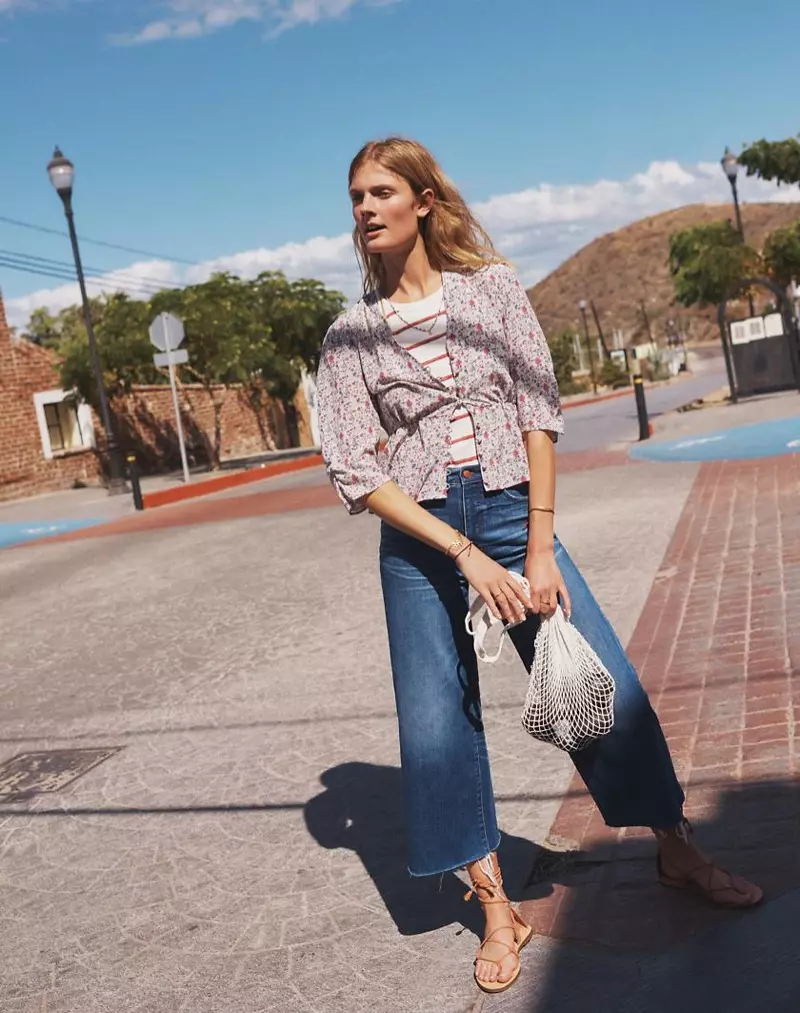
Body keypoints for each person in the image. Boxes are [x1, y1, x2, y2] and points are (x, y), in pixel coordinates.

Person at [315, 137, 762, 996]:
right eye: (355, 197)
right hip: (421, 538)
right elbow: (356, 470)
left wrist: (539, 542)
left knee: (599, 687)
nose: (365, 209)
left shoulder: (493, 290)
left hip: (515, 507)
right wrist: (462, 553)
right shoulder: (349, 336)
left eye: (380, 192)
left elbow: (537, 408)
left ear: (424, 203)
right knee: (437, 723)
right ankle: (495, 906)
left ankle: (676, 848)